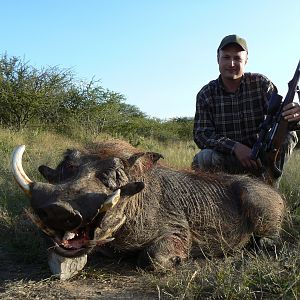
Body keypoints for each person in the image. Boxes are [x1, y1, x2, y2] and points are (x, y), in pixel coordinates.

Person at [192, 34, 300, 185]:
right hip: (228, 158)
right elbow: (201, 134)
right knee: (204, 157)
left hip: (260, 158)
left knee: (288, 135)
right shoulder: (206, 94)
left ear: (246, 60)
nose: (231, 63)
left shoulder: (261, 83)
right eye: (226, 57)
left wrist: (294, 114)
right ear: (218, 58)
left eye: (237, 58)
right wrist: (235, 147)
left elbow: (280, 121)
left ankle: (270, 190)